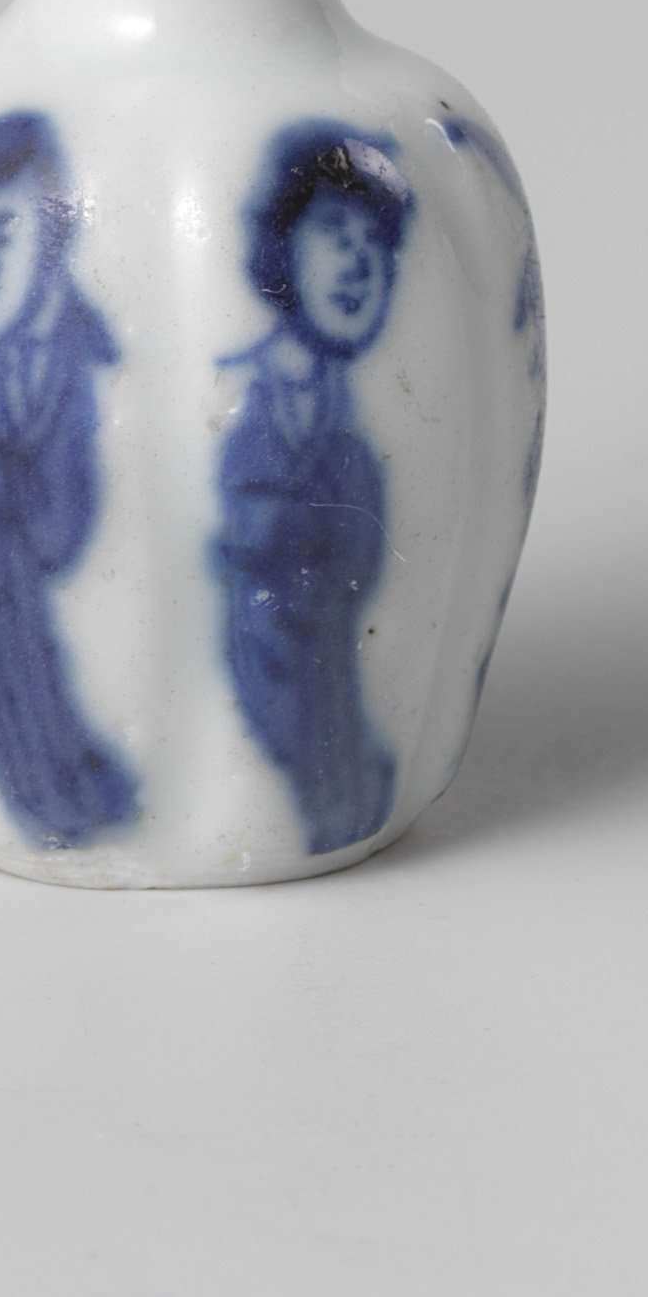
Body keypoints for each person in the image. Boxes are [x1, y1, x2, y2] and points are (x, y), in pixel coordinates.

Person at [0, 110, 139, 847]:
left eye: (0, 234)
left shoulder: (80, 366)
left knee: (53, 752)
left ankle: (74, 797)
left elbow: (64, 529)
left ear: (55, 241)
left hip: (23, 629)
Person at [214, 123, 412, 854]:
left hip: (331, 684)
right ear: (282, 252)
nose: (358, 262)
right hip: (260, 673)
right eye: (334, 233)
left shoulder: (346, 415)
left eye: (374, 242)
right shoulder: (240, 397)